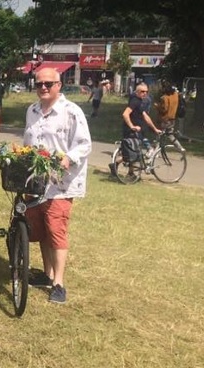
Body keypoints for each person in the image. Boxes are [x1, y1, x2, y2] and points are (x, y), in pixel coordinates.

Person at [23, 68, 92, 304]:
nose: (43, 87)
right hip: (36, 182)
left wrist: (68, 158)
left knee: (56, 230)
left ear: (59, 85)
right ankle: (46, 273)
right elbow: (28, 143)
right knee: (41, 229)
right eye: (39, 83)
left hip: (60, 184)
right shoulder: (31, 111)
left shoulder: (72, 112)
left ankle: (59, 283)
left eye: (48, 84)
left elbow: (84, 144)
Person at [109, 82, 162, 176]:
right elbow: (125, 114)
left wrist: (154, 129)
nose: (145, 93)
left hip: (137, 130)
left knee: (134, 151)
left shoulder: (141, 101)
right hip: (131, 131)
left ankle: (130, 172)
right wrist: (132, 126)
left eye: (146, 91)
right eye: (142, 91)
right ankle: (117, 164)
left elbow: (145, 116)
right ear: (137, 92)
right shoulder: (135, 101)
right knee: (133, 151)